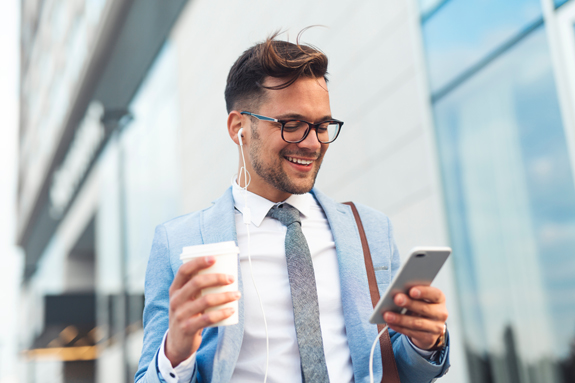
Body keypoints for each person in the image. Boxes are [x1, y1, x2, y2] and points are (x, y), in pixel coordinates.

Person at [135, 31, 450, 383]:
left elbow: (394, 366)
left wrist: (426, 341)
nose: (313, 143)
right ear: (239, 128)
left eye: (322, 125)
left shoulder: (372, 230)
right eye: (292, 125)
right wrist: (175, 353)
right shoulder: (177, 241)